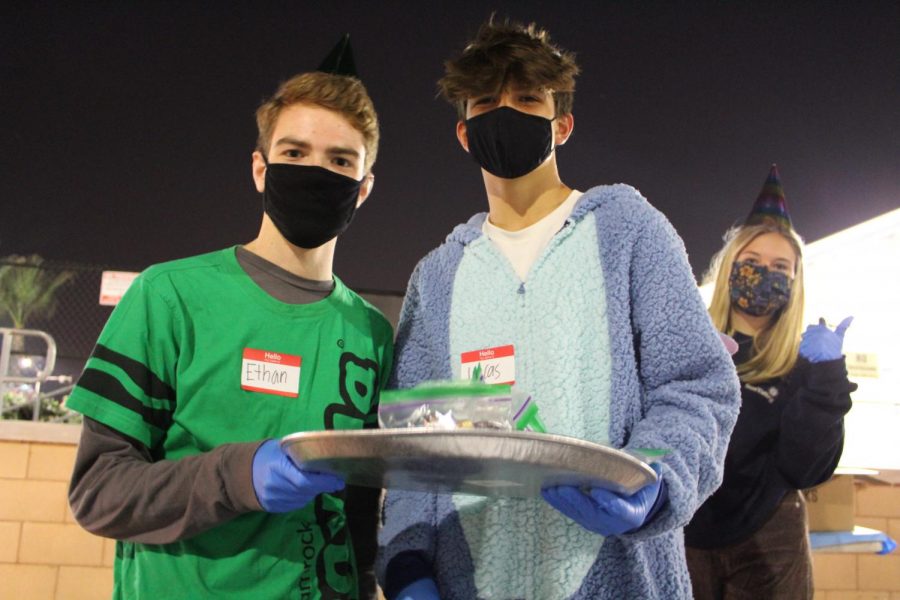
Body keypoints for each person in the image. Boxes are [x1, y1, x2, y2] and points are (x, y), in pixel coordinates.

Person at [376, 17, 741, 600]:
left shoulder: (629, 232)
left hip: (618, 579)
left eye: (527, 99)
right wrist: (408, 561)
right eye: (487, 101)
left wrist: (651, 476)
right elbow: (419, 439)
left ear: (562, 124)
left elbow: (697, 385)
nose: (507, 112)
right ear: (465, 133)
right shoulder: (438, 276)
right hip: (470, 580)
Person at [66, 36, 393, 599]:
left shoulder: (372, 334)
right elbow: (99, 493)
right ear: (260, 169)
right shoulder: (168, 296)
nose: (316, 170)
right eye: (294, 153)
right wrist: (237, 477)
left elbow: (361, 516)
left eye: (339, 160)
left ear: (362, 189)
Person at [684, 165, 856, 599]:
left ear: (795, 280)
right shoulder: (690, 344)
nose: (765, 273)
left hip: (767, 538)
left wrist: (826, 381)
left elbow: (806, 470)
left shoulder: (803, 365)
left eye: (780, 265)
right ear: (729, 269)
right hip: (684, 531)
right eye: (753, 262)